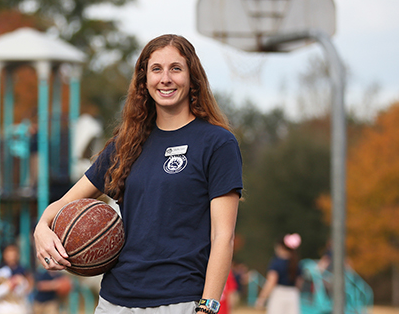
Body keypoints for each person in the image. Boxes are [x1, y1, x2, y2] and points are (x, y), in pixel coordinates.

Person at [34, 34, 243, 314]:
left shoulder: (217, 143)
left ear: (192, 77)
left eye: (176, 68)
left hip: (179, 299)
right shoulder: (126, 144)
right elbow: (66, 203)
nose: (165, 78)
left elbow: (223, 236)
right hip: (115, 301)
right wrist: (42, 227)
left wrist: (208, 307)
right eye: (156, 69)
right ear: (144, 80)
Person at [255, 234, 303, 314]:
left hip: (279, 294)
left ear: (280, 247)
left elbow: (271, 282)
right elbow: (299, 283)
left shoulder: (276, 263)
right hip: (293, 295)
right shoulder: (296, 263)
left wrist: (261, 298)